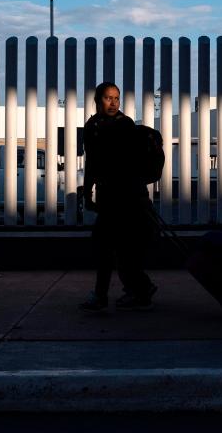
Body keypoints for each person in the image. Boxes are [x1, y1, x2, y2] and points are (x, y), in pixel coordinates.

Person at [79, 82, 158, 312]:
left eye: (116, 98)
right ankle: (140, 288)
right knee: (117, 247)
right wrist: (88, 191)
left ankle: (109, 294)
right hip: (111, 195)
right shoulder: (92, 126)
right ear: (97, 99)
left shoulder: (125, 125)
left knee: (110, 246)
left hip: (126, 196)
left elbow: (124, 163)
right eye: (108, 98)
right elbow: (92, 162)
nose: (113, 102)